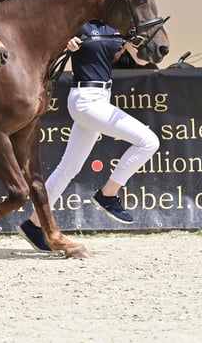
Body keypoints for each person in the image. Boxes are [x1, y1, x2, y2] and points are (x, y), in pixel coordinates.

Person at [17, 19, 160, 251]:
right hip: (84, 99)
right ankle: (108, 195)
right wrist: (66, 43)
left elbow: (143, 59)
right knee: (149, 142)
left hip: (101, 99)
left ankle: (34, 225)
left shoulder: (115, 30)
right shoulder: (80, 25)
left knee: (68, 168)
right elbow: (50, 46)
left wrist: (140, 41)